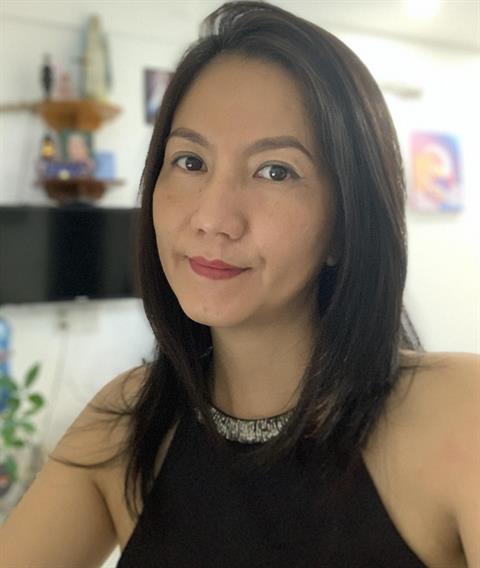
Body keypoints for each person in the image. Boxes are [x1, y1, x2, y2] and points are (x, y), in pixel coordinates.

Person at [1, 2, 478, 566]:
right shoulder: (126, 427)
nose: (212, 218)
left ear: (346, 225)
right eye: (190, 162)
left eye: (275, 171)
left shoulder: (459, 414)